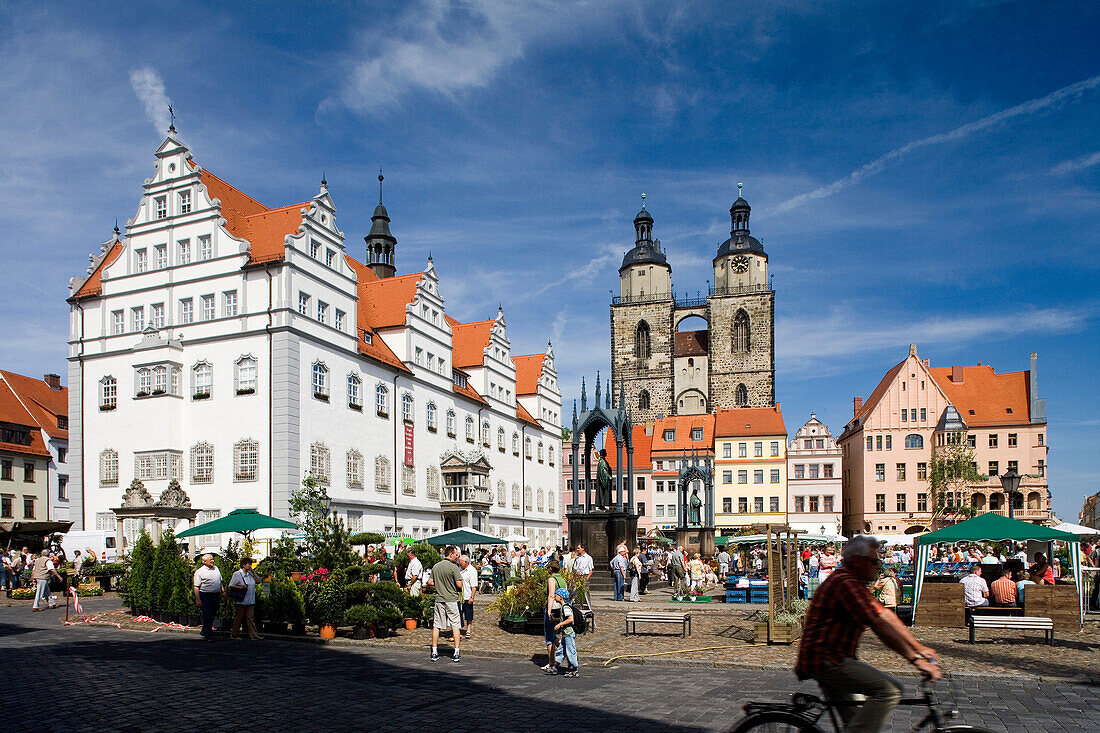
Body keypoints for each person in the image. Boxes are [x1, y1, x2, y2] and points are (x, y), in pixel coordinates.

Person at [796, 535, 941, 732]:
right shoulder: (845, 583)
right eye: (874, 561)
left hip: (834, 658)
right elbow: (879, 625)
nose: (878, 565)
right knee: (889, 690)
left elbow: (886, 616)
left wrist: (919, 647)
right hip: (827, 660)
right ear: (857, 560)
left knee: (857, 722)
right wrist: (914, 659)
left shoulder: (852, 582)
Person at [427, 545, 463, 662]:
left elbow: (430, 582)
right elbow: (459, 584)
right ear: (451, 554)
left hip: (439, 598)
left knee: (437, 625)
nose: (457, 557)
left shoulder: (436, 566)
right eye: (456, 554)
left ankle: (434, 651)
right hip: (451, 599)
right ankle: (456, 652)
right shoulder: (454, 567)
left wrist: (439, 585)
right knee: (455, 625)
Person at [542, 559, 567, 674]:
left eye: (548, 568)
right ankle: (565, 651)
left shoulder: (551, 579)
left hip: (553, 609)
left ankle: (551, 662)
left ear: (551, 569)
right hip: (560, 609)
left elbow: (551, 595)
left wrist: (548, 610)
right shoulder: (562, 580)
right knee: (554, 635)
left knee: (549, 636)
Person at [193, 553, 225, 641]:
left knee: (213, 614)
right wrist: (198, 599)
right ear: (204, 562)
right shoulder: (199, 572)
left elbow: (220, 581)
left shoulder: (216, 569)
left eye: (212, 559)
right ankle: (209, 635)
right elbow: (196, 586)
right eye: (210, 559)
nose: (212, 561)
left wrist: (223, 591)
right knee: (207, 614)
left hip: (216, 595)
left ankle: (204, 630)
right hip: (205, 595)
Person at [228, 558, 263, 640]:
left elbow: (258, 581)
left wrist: (254, 572)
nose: (250, 566)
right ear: (243, 565)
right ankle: (234, 634)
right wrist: (241, 587)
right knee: (239, 617)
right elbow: (231, 585)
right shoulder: (237, 574)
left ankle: (254, 635)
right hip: (241, 600)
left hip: (250, 600)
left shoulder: (250, 574)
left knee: (250, 618)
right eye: (249, 564)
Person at [550, 587, 580, 678]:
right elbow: (564, 618)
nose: (555, 597)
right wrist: (555, 620)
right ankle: (555, 667)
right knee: (561, 650)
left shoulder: (566, 607)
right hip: (565, 633)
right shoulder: (563, 607)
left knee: (571, 651)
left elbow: (570, 619)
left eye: (556, 595)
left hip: (569, 633)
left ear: (561, 597)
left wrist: (559, 625)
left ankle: (575, 669)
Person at [458, 554, 478, 639]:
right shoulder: (459, 569)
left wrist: (472, 597)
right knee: (458, 614)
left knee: (468, 614)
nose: (459, 563)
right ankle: (457, 631)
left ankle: (468, 630)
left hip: (467, 595)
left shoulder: (472, 570)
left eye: (461, 562)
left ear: (466, 562)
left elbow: (474, 586)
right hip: (459, 596)